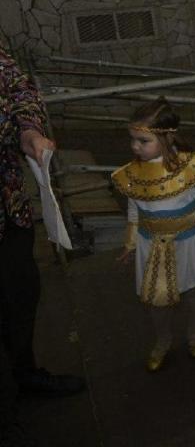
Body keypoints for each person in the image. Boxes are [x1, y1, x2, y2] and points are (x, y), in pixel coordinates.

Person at [112, 100, 195, 371]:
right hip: (150, 246)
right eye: (132, 140)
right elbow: (135, 211)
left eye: (143, 141)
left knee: (194, 290)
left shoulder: (190, 167)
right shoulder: (132, 174)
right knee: (156, 301)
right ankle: (163, 340)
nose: (135, 146)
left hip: (188, 243)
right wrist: (130, 243)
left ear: (167, 138)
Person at [1, 45, 85, 443]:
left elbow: (19, 88)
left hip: (9, 204)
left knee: (20, 294)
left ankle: (23, 374)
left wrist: (29, 130)